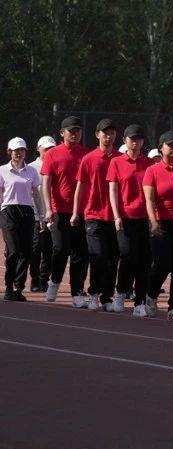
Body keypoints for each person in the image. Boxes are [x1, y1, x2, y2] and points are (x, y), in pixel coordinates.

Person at [40, 116, 90, 307]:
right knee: (60, 249)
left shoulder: (86, 154)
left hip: (82, 211)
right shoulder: (53, 154)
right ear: (62, 133)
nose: (75, 134)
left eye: (78, 130)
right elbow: (46, 183)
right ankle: (54, 281)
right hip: (59, 211)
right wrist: (48, 208)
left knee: (81, 252)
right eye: (71, 131)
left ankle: (76, 292)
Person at [72, 119, 121, 311]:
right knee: (98, 256)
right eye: (105, 132)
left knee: (113, 258)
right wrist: (76, 212)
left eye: (112, 133)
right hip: (93, 215)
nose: (109, 136)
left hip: (115, 217)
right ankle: (93, 293)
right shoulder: (89, 159)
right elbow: (80, 187)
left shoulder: (120, 159)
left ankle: (106, 297)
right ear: (97, 134)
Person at [106, 125, 153, 317]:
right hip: (125, 218)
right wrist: (116, 215)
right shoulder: (116, 162)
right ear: (125, 140)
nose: (135, 142)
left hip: (145, 219)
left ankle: (139, 301)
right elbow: (113, 190)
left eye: (139, 138)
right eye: (132, 138)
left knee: (144, 260)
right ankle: (120, 292)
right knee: (127, 256)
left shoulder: (149, 164)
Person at [143, 132, 173, 322]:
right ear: (161, 148)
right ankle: (150, 295)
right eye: (170, 145)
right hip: (160, 223)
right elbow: (149, 199)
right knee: (162, 264)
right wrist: (153, 221)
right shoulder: (152, 170)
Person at [1, 137, 43, 301]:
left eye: (22, 150)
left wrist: (41, 216)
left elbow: (36, 194)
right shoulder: (2, 171)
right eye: (15, 150)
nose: (19, 153)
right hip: (8, 210)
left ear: (26, 152)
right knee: (13, 250)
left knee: (26, 251)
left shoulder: (31, 171)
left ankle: (18, 287)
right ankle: (9, 287)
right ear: (9, 152)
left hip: (27, 212)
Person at [28, 136, 56, 293]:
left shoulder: (58, 165)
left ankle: (44, 280)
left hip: (54, 215)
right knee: (36, 247)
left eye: (52, 148)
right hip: (36, 215)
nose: (49, 151)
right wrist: (38, 214)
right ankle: (35, 279)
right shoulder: (31, 168)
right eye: (46, 149)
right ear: (38, 149)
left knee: (50, 249)